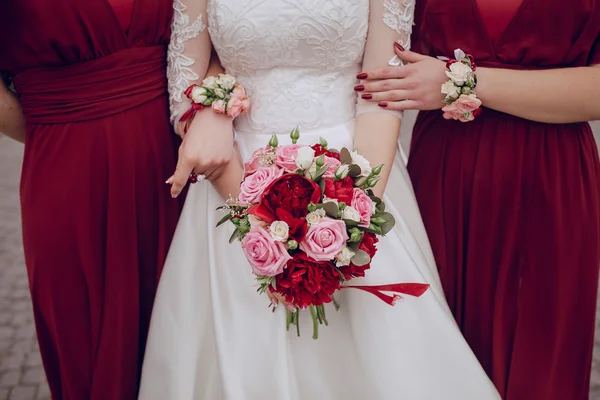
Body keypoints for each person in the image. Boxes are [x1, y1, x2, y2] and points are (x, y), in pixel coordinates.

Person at [138, 1, 500, 398]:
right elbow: (183, 89)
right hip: (233, 173)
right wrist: (254, 220)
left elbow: (381, 97)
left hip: (355, 167)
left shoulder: (356, 198)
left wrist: (353, 220)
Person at [357, 1, 600, 398]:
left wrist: (462, 81)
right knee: (439, 354)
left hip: (553, 181)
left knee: (542, 363)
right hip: (445, 176)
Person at [0, 1, 185, 398]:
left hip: (177, 174)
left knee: (179, 335)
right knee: (87, 339)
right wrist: (62, 121)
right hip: (68, 174)